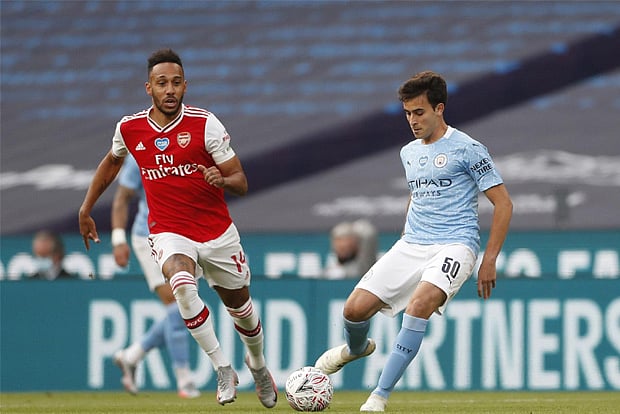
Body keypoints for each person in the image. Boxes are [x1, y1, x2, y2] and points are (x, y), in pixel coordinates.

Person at [78, 48, 277, 408]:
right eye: (161, 83)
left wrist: (221, 179)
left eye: (175, 83)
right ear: (149, 88)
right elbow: (111, 163)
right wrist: (87, 207)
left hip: (217, 233)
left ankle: (259, 366)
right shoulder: (130, 128)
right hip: (168, 231)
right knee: (182, 286)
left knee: (242, 309)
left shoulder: (205, 124)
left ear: (186, 86)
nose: (169, 90)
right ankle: (223, 368)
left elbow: (241, 181)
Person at [314, 71, 513, 412]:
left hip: (455, 244)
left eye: (419, 112)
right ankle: (355, 349)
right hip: (412, 244)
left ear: (439, 109)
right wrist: (406, 238)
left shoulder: (468, 149)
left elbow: (504, 204)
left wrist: (489, 259)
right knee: (353, 310)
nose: (412, 120)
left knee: (419, 306)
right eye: (407, 113)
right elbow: (416, 195)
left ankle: (378, 397)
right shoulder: (408, 152)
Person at [110, 154, 199, 399]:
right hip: (149, 237)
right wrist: (118, 239)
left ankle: (131, 356)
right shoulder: (139, 154)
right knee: (178, 306)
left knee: (185, 307)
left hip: (185, 236)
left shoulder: (192, 144)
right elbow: (122, 197)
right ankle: (185, 380)